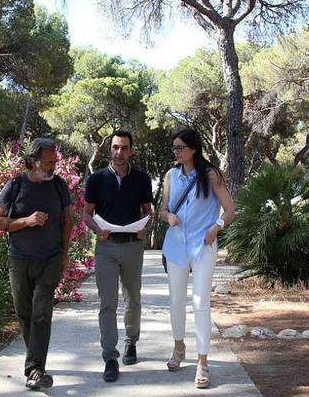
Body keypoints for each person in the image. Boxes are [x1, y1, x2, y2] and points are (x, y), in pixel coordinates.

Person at [0, 138, 72, 391]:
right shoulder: (15, 185)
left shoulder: (59, 185)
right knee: (24, 313)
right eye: (48, 163)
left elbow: (66, 219)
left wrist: (65, 254)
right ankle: (35, 361)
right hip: (20, 260)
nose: (53, 168)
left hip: (50, 258)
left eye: (54, 163)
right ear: (33, 161)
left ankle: (35, 369)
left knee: (41, 313)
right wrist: (26, 221)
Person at [159, 128, 235, 389]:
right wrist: (168, 217)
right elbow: (163, 210)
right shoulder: (171, 176)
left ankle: (203, 362)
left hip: (204, 246)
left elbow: (230, 209)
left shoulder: (211, 174)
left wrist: (216, 227)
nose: (176, 152)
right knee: (176, 300)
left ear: (193, 149)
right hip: (177, 246)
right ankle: (179, 347)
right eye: (174, 148)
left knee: (201, 302)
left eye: (180, 147)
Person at [82, 130, 154, 382]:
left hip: (133, 246)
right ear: (109, 149)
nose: (119, 152)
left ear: (131, 150)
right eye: (115, 147)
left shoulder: (143, 179)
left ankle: (131, 342)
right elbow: (86, 214)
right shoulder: (96, 180)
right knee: (108, 302)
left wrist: (147, 227)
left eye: (124, 148)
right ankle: (110, 357)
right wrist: (97, 230)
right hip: (106, 248)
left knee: (133, 299)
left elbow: (149, 211)